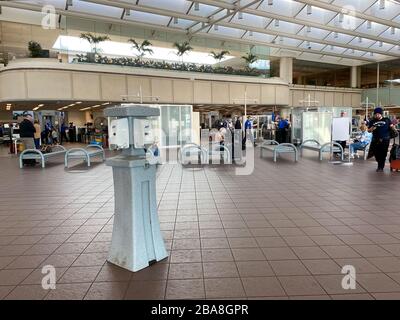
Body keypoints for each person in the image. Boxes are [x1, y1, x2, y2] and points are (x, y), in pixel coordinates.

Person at [368, 107, 395, 172]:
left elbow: (392, 126)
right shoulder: (372, 121)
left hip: (385, 139)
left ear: (381, 114)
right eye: (376, 114)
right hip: (375, 140)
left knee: (383, 153)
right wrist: (372, 128)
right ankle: (379, 163)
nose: (377, 115)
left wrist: (393, 128)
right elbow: (369, 130)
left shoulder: (386, 120)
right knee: (376, 153)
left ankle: (380, 167)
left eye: (378, 114)